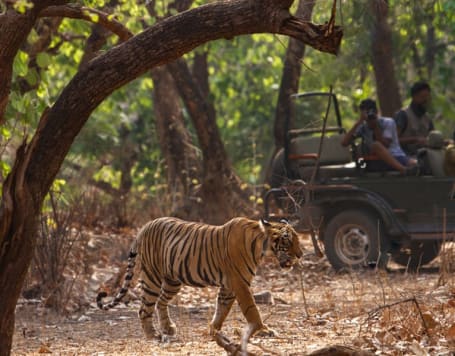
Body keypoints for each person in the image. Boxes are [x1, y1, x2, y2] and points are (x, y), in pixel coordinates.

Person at [341, 98, 417, 174]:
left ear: (376, 112)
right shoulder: (363, 127)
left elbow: (385, 145)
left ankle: (408, 168)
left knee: (377, 145)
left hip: (395, 156)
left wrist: (375, 127)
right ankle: (404, 170)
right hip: (376, 161)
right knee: (375, 146)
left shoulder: (388, 122)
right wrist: (358, 123)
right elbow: (344, 143)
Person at [394, 81, 434, 156]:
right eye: (422, 97)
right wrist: (414, 139)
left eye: (427, 97)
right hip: (406, 156)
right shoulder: (403, 115)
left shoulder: (427, 118)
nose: (425, 100)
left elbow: (433, 138)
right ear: (414, 97)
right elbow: (394, 140)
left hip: (425, 155)